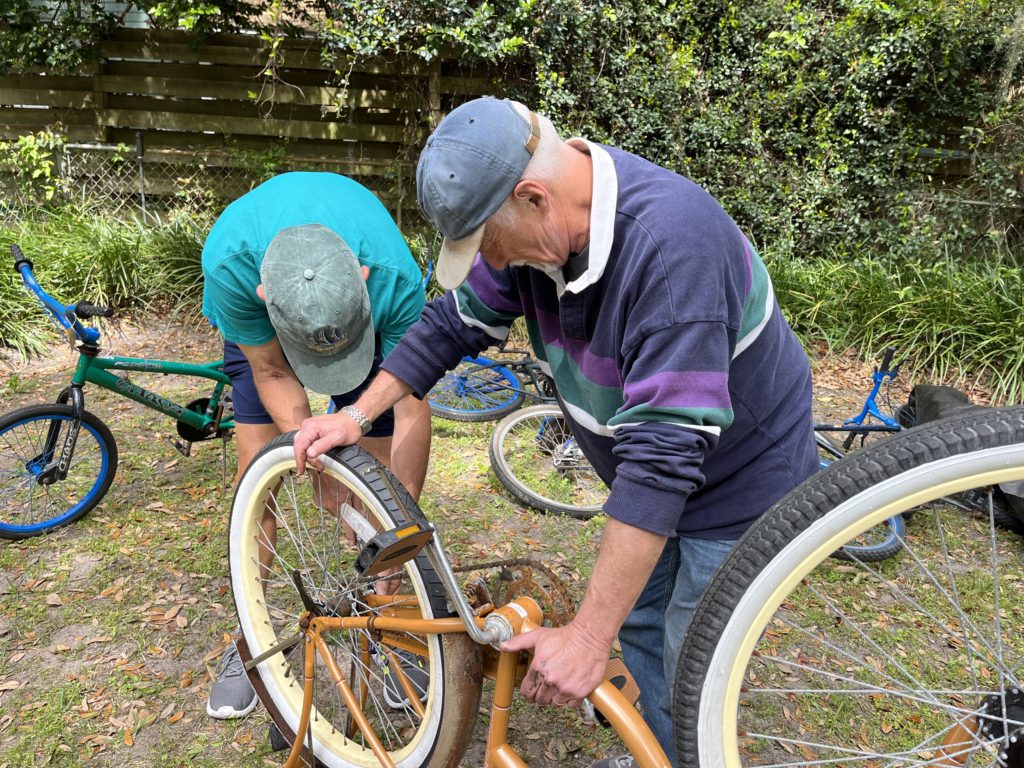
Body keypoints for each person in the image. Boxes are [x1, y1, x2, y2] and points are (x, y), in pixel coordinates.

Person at [291, 98, 817, 766]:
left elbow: (664, 461)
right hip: (649, 464)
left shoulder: (671, 252)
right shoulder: (538, 233)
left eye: (488, 244)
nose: (492, 260)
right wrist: (356, 414)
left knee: (699, 653)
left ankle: (691, 752)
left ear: (533, 197)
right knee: (647, 617)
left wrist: (587, 639)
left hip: (743, 475)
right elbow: (450, 326)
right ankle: (656, 746)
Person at [200, 171, 432, 720]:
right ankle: (251, 639)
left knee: (378, 488)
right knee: (259, 472)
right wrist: (312, 452)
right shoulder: (233, 268)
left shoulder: (394, 281)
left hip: (366, 326)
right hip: (267, 340)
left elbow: (412, 411)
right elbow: (272, 372)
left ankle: (389, 622)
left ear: (363, 274)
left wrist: (397, 521)